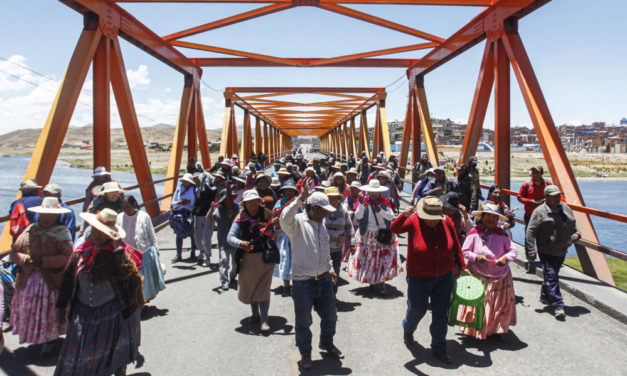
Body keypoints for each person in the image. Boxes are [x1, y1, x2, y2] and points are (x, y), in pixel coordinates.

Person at [55, 208, 143, 376]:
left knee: (111, 351)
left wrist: (118, 251)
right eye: (95, 229)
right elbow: (67, 279)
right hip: (83, 312)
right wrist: (60, 306)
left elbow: (129, 277)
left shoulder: (121, 253)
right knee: (80, 352)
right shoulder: (81, 252)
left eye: (101, 231)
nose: (96, 234)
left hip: (111, 311)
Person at [390, 196, 466, 364]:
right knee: (417, 309)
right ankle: (408, 328)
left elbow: (456, 245)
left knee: (441, 313)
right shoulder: (414, 220)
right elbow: (394, 229)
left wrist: (462, 266)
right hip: (419, 275)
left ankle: (439, 347)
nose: (432, 222)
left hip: (444, 275)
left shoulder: (446, 221)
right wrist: (403, 215)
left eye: (435, 219)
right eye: (429, 219)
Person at [279, 179, 342, 370]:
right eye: (323, 210)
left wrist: (330, 268)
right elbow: (283, 218)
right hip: (303, 282)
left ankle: (326, 342)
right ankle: (305, 354)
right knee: (304, 321)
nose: (326, 214)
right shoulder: (297, 223)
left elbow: (325, 251)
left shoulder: (321, 225)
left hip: (323, 280)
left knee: (331, 316)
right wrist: (300, 199)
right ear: (312, 208)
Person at [9, 197, 73, 357]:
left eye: (49, 216)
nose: (45, 218)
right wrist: (25, 259)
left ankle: (48, 342)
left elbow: (67, 257)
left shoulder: (62, 234)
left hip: (50, 281)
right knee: (32, 310)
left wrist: (44, 261)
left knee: (48, 311)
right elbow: (14, 252)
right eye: (43, 215)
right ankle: (37, 337)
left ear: (55, 217)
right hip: (29, 280)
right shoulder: (31, 230)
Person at [460, 203, 518, 339]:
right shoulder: (475, 233)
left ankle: (496, 330)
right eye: (488, 216)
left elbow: (513, 251)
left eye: (494, 217)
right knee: (479, 303)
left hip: (500, 275)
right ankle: (474, 329)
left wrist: (505, 259)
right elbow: (465, 251)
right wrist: (476, 257)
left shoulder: (502, 234)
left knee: (498, 305)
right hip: (478, 273)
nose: (491, 219)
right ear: (482, 217)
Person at [525, 185, 580, 319]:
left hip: (562, 249)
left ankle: (545, 295)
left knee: (551, 276)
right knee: (552, 276)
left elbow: (573, 224)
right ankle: (558, 305)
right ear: (547, 197)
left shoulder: (565, 208)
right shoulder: (539, 212)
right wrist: (531, 250)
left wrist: (577, 234)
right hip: (546, 250)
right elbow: (530, 231)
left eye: (559, 195)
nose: (558, 198)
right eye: (555, 196)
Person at [227, 190, 276, 332]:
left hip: (266, 257)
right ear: (245, 204)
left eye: (255, 201)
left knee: (264, 288)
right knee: (250, 287)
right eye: (250, 202)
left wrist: (276, 226)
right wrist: (240, 243)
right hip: (247, 258)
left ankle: (264, 319)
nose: (253, 204)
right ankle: (255, 313)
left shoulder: (268, 214)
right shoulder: (240, 217)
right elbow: (230, 237)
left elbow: (279, 233)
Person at [348, 179, 402, 295]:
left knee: (381, 260)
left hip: (381, 235)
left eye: (375, 192)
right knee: (370, 259)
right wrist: (361, 204)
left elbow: (390, 217)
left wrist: (380, 211)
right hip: (368, 235)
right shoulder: (364, 202)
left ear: (379, 192)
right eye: (371, 192)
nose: (373, 194)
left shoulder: (384, 203)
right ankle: (372, 281)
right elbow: (358, 216)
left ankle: (381, 282)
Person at [117, 195, 165, 302]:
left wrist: (156, 249)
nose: (126, 209)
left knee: (144, 281)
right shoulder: (120, 217)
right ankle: (136, 302)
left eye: (128, 206)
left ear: (134, 204)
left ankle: (143, 301)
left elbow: (151, 234)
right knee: (131, 281)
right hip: (127, 255)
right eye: (124, 207)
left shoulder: (144, 216)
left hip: (143, 253)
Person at [323, 187, 355, 296]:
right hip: (322, 248)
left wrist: (352, 243)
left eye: (335, 197)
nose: (333, 200)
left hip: (337, 248)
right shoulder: (321, 210)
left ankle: (332, 297)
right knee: (322, 274)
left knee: (335, 273)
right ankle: (321, 298)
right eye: (330, 197)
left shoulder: (343, 211)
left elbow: (349, 227)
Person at [518, 166, 552, 259]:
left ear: (541, 173)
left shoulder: (547, 184)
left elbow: (552, 196)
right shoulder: (527, 184)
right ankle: (529, 257)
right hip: (530, 215)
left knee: (544, 237)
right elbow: (520, 197)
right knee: (529, 236)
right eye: (533, 172)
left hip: (544, 215)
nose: (534, 174)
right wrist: (530, 201)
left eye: (536, 172)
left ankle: (544, 258)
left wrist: (546, 200)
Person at [272, 181, 299, 296]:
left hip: (296, 233)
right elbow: (275, 217)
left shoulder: (299, 202)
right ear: (283, 192)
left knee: (297, 260)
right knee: (285, 259)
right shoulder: (279, 203)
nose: (289, 192)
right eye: (286, 190)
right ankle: (286, 285)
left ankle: (298, 285)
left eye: (291, 190)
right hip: (283, 234)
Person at [211, 189, 239, 290]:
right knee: (224, 261)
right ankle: (224, 281)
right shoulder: (219, 209)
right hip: (223, 240)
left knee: (235, 262)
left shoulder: (236, 207)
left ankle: (233, 278)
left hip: (235, 240)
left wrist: (234, 215)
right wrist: (211, 209)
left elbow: (242, 220)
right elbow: (209, 218)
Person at [192, 172, 216, 266]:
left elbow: (210, 193)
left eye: (200, 179)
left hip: (208, 216)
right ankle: (202, 251)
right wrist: (192, 212)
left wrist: (206, 182)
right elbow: (196, 202)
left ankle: (208, 257)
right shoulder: (197, 190)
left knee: (206, 238)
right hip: (198, 216)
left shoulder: (211, 190)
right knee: (197, 237)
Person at [171, 173, 196, 263]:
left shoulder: (194, 190)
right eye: (184, 181)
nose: (184, 183)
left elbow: (195, 203)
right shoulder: (178, 190)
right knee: (179, 234)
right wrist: (179, 203)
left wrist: (188, 203)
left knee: (192, 234)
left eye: (186, 181)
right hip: (180, 214)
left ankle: (193, 252)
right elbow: (173, 203)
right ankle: (178, 254)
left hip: (190, 213)